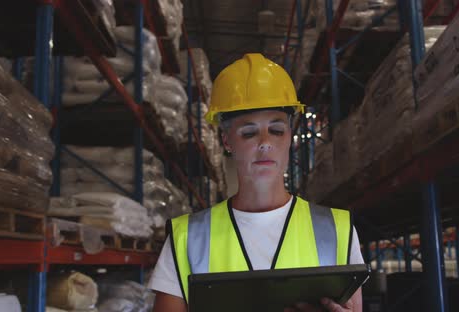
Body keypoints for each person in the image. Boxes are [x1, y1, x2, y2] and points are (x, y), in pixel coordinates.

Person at [149, 53, 365, 312]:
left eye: (276, 130)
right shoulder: (186, 238)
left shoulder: (336, 230)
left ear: (289, 136)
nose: (265, 142)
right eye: (249, 132)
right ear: (227, 141)